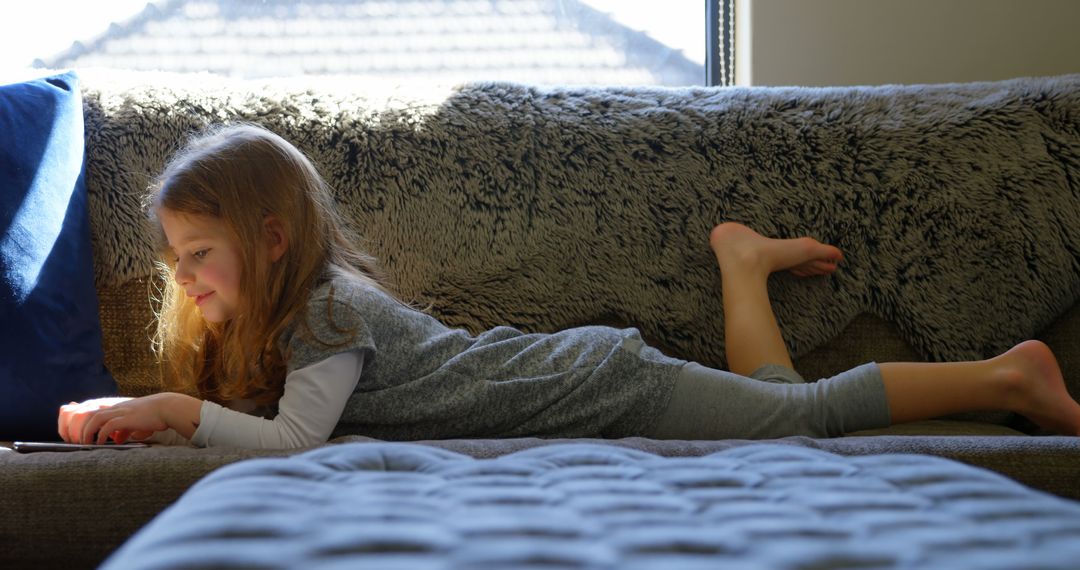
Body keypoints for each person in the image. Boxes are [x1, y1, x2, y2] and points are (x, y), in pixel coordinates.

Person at [57, 124, 1080, 448]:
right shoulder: (283, 314)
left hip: (602, 387)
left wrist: (164, 410)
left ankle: (1009, 375)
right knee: (775, 406)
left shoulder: (327, 311)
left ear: (272, 240)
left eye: (200, 256)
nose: (183, 281)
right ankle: (742, 262)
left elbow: (291, 444)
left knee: (803, 419)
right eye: (174, 261)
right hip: (584, 377)